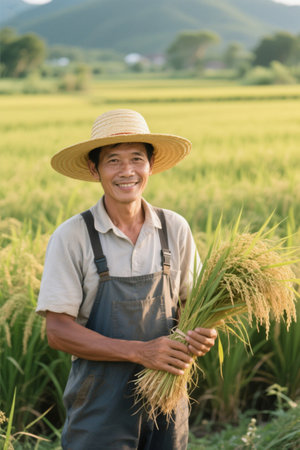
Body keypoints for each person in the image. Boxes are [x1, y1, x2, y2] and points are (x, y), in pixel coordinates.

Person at [36, 109, 217, 450]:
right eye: (113, 161)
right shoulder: (73, 236)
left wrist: (202, 334)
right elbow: (58, 331)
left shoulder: (174, 228)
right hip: (99, 405)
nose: (127, 171)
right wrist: (140, 351)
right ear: (95, 169)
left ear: (151, 165)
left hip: (168, 401)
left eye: (136, 158)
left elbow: (193, 307)